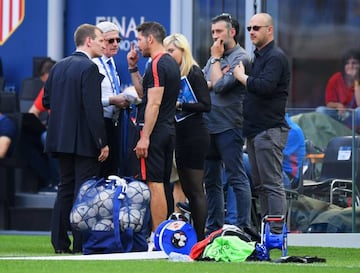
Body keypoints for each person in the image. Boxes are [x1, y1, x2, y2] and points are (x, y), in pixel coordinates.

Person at [43, 23, 109, 254]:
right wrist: (102, 142)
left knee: (65, 189)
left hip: (60, 140)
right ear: (88, 41)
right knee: (84, 192)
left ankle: (60, 244)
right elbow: (93, 109)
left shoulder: (58, 67)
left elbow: (47, 102)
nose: (103, 43)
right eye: (100, 39)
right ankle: (82, 244)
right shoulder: (90, 68)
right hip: (83, 141)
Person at [233, 13, 290, 233]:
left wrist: (242, 77)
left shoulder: (275, 56)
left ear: (270, 30)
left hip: (269, 130)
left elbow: (265, 86)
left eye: (256, 27)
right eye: (249, 28)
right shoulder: (258, 57)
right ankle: (267, 233)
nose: (251, 32)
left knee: (271, 185)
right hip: (256, 131)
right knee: (262, 186)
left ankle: (275, 234)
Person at [126, 21, 180, 247]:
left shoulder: (158, 63)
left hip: (156, 132)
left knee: (155, 184)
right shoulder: (165, 63)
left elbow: (154, 103)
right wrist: (133, 68)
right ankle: (162, 236)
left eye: (139, 39)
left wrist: (145, 136)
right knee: (161, 184)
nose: (137, 45)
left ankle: (158, 238)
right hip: (166, 130)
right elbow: (144, 94)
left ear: (150, 39)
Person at [202, 13, 252, 235]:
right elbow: (206, 84)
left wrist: (215, 62)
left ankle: (243, 227)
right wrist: (215, 76)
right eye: (213, 32)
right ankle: (213, 228)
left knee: (235, 176)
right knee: (211, 180)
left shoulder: (240, 57)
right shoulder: (216, 56)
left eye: (219, 31)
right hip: (208, 125)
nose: (215, 37)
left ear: (232, 32)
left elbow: (220, 86)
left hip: (229, 125)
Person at [164, 33, 211, 240]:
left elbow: (205, 104)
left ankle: (200, 237)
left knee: (195, 190)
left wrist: (180, 105)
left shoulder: (193, 72)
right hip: (179, 135)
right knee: (185, 188)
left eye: (171, 51)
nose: (167, 55)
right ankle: (193, 234)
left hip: (195, 135)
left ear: (182, 50)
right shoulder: (172, 75)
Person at [93, 21, 130, 178]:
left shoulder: (110, 62)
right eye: (110, 41)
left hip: (113, 122)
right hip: (99, 123)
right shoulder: (93, 63)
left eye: (118, 40)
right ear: (100, 41)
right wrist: (112, 100)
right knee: (101, 173)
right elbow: (89, 100)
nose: (115, 44)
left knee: (113, 172)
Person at [27, 58, 60, 193]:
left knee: (47, 137)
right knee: (30, 140)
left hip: (70, 130)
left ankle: (59, 182)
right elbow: (32, 112)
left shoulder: (67, 86)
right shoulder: (47, 89)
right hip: (54, 130)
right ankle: (48, 180)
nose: (46, 84)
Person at [316, 49, 360, 132]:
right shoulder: (336, 78)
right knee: (320, 110)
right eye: (347, 63)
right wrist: (338, 105)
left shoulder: (358, 80)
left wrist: (356, 80)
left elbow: (359, 104)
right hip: (340, 115)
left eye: (354, 63)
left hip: (355, 117)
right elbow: (329, 103)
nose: (350, 66)